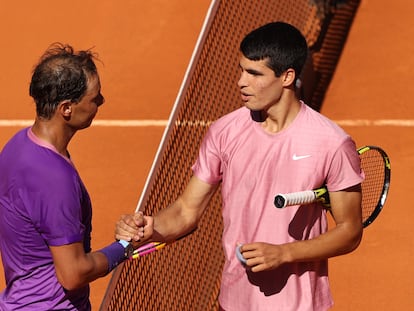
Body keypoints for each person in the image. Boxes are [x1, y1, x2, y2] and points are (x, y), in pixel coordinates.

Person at [117, 22, 364, 311]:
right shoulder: (224, 132)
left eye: (254, 74)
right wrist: (152, 226)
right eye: (242, 69)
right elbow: (187, 210)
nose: (241, 81)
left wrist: (284, 253)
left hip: (298, 305)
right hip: (233, 302)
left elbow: (350, 231)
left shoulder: (331, 143)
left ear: (287, 77)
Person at [0, 43, 144, 310]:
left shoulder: (16, 146)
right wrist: (124, 246)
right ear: (66, 108)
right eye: (95, 98)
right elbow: (73, 273)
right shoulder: (54, 178)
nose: (101, 102)